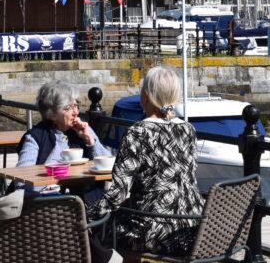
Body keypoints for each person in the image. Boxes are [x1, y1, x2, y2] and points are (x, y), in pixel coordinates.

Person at [87, 66, 204, 256]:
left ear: (146, 96)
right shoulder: (188, 129)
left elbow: (118, 192)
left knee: (100, 228)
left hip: (155, 228)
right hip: (191, 225)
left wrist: (88, 215)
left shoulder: (138, 132)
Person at [17, 80, 111, 173]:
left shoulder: (83, 129)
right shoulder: (35, 137)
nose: (76, 112)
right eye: (68, 108)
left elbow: (109, 166)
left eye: (76, 105)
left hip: (83, 186)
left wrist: (90, 141)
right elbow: (23, 176)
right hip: (49, 187)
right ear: (51, 114)